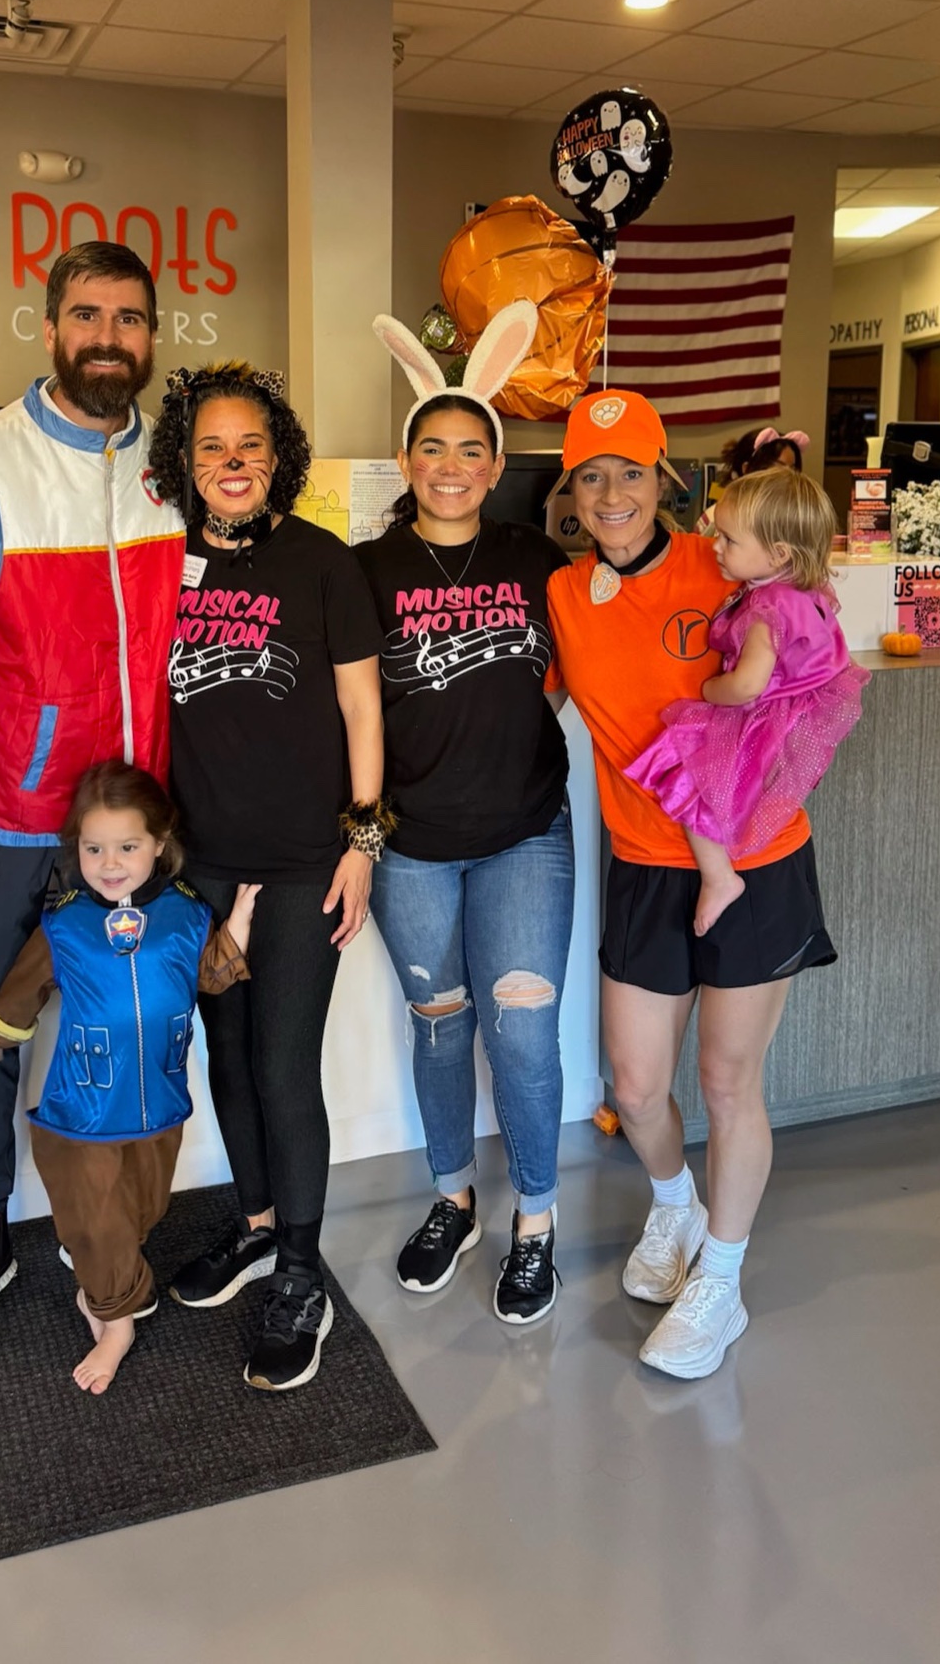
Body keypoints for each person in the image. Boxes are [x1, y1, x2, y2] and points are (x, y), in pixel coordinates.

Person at [0, 239, 184, 1358]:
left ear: (150, 337)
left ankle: (112, 1226)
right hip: (15, 817)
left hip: (141, 827)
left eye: (127, 318)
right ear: (51, 327)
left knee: (132, 1020)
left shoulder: (174, 463)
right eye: (86, 315)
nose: (107, 336)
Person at [546, 389, 839, 1381]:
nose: (611, 492)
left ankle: (721, 1277)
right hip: (643, 863)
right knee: (633, 1085)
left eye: (629, 471)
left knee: (724, 1080)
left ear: (664, 479)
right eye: (591, 475)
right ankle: (673, 1209)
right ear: (571, 494)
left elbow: (803, 650)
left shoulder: (720, 570)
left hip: (752, 861)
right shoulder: (561, 593)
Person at [149, 362, 386, 1392]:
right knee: (229, 1061)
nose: (232, 463)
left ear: (277, 457)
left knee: (285, 1067)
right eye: (211, 446)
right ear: (184, 463)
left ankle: (300, 1274)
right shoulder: (160, 564)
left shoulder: (321, 561)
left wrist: (361, 845)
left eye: (249, 445)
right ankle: (253, 1226)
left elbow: (363, 713)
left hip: (299, 861)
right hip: (197, 866)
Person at [358, 301, 574, 1324]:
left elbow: (577, 675)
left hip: (526, 836)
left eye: (470, 450)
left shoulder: (537, 562)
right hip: (410, 850)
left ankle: (536, 1220)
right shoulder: (364, 572)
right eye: (432, 447)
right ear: (407, 461)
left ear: (494, 467)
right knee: (440, 1030)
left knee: (521, 1036)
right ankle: (454, 1198)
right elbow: (346, 715)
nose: (450, 465)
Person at [0, 761, 257, 1395]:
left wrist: (237, 929)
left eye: (127, 847)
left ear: (159, 844)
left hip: (160, 1107)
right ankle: (114, 1314)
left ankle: (106, 1276)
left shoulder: (185, 913)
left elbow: (206, 976)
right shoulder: (65, 923)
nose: (110, 862)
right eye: (94, 848)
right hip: (82, 1112)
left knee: (141, 1211)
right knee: (97, 1217)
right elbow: (24, 990)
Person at [625, 469, 865, 933]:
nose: (716, 545)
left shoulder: (766, 608)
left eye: (729, 540)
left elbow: (749, 684)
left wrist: (710, 690)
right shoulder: (802, 590)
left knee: (687, 775)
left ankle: (719, 878)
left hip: (762, 714)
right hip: (798, 715)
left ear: (777, 554)